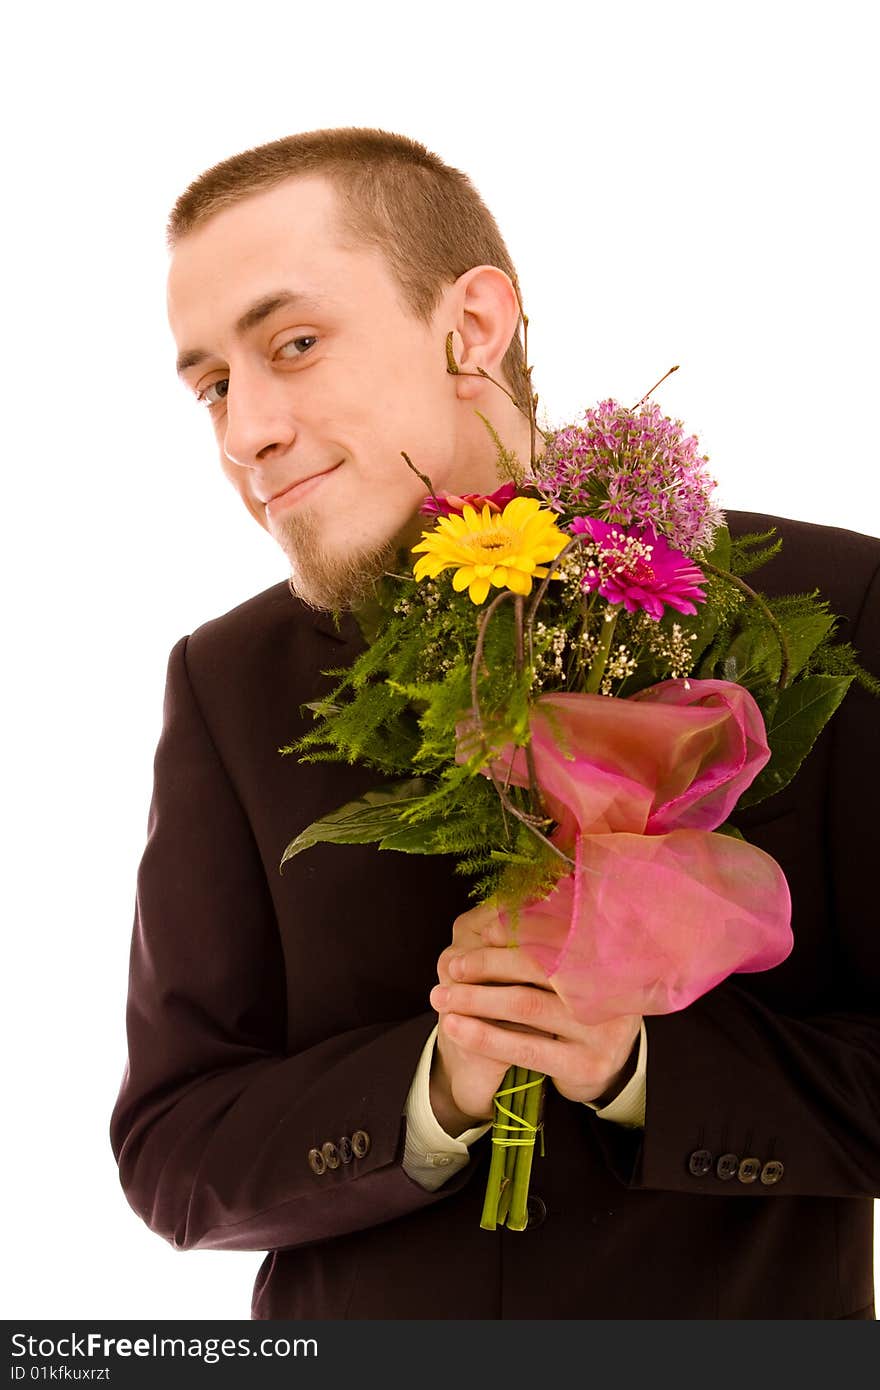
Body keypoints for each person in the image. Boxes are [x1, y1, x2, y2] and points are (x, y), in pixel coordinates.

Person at [109, 127, 880, 1320]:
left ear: (471, 327)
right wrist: (435, 1086)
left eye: (294, 345)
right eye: (212, 383)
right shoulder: (225, 680)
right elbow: (172, 1150)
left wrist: (640, 1071)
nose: (242, 430)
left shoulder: (820, 611)